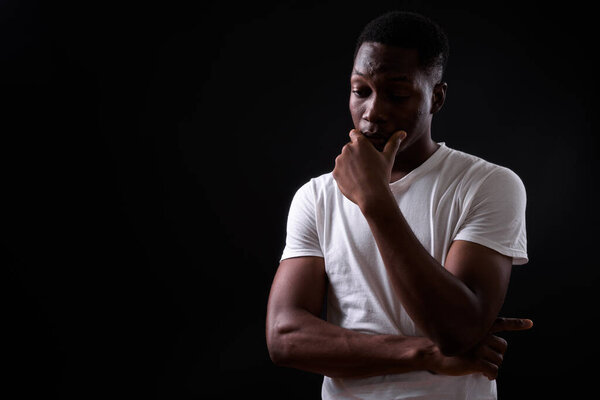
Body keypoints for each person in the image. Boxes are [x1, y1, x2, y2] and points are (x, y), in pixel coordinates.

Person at [266, 10, 532, 400]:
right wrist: (422, 353)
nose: (372, 112)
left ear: (436, 98)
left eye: (397, 94)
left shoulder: (488, 184)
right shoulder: (316, 196)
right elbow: (285, 338)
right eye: (361, 91)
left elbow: (456, 332)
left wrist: (375, 201)